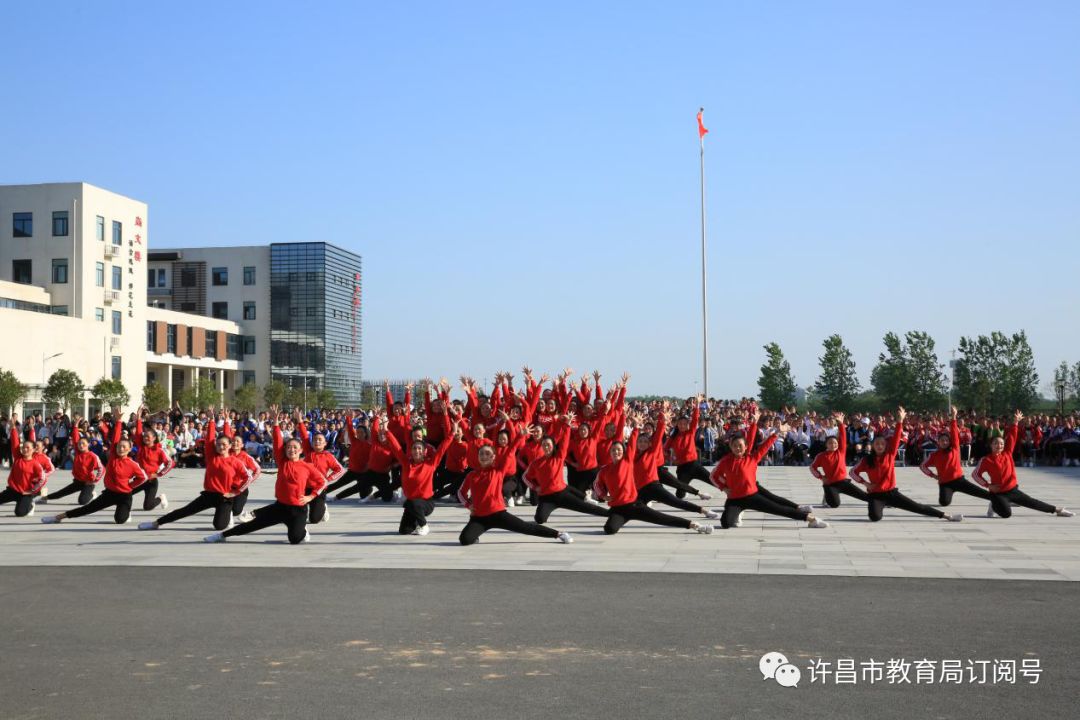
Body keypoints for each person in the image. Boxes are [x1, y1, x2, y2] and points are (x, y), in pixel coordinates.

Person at [204, 410, 327, 544]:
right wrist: (275, 424)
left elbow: (322, 482)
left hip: (298, 509)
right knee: (250, 526)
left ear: (301, 450)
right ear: (285, 451)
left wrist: (310, 496)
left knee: (295, 539)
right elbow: (277, 443)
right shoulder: (282, 461)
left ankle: (302, 530)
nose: (292, 450)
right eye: (289, 448)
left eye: (295, 447)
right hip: (280, 507)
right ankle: (221, 535)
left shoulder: (307, 466)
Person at [595, 412, 714, 535]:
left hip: (653, 487)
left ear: (649, 444)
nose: (642, 443)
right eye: (640, 441)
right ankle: (620, 516)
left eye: (645, 441)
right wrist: (603, 495)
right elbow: (598, 483)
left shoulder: (646, 454)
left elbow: (655, 438)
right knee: (609, 529)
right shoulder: (626, 460)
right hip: (639, 493)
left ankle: (699, 516)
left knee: (670, 507)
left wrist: (661, 422)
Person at [712, 409, 827, 529]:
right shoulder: (725, 461)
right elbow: (714, 476)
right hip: (734, 499)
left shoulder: (751, 458)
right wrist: (724, 488)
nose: (737, 448)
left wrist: (776, 432)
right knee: (725, 523)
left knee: (778, 509)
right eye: (734, 446)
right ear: (730, 447)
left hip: (752, 495)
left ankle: (811, 519)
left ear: (745, 447)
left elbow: (764, 445)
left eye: (740, 446)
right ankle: (739, 512)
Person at [850, 407, 962, 523]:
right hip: (875, 495)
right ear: (873, 446)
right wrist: (865, 483)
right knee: (875, 517)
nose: (879, 446)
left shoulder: (890, 455)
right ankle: (882, 505)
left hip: (891, 493)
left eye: (882, 444)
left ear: (885, 446)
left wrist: (900, 421)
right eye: (877, 444)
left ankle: (947, 516)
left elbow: (897, 437)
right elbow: (852, 472)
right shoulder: (867, 460)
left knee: (917, 507)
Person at [138, 413, 247, 531]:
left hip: (225, 498)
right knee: (185, 511)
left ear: (230, 446)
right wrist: (211, 421)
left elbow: (248, 477)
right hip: (209, 495)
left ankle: (227, 514)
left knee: (219, 526)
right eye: (218, 444)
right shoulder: (212, 456)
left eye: (224, 445)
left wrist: (235, 492)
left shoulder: (235, 462)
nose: (221, 447)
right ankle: (156, 523)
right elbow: (210, 439)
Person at [458, 437, 573, 545]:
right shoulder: (472, 475)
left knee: (526, 527)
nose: (484, 456)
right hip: (479, 517)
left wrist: (519, 436)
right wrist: (468, 505)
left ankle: (558, 534)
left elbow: (510, 450)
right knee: (464, 540)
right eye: (481, 454)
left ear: (493, 457)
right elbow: (461, 493)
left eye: (487, 453)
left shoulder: (498, 471)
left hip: (498, 514)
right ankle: (476, 535)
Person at [41, 414, 149, 525]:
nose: (120, 449)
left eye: (124, 447)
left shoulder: (132, 464)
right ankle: (58, 517)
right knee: (87, 508)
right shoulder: (113, 456)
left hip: (124, 496)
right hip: (109, 493)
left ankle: (125, 512)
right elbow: (115, 438)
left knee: (120, 520)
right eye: (119, 447)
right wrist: (118, 421)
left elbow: (143, 477)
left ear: (129, 449)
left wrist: (130, 486)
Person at [973, 410, 1073, 519]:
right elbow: (975, 475)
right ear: (991, 445)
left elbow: (1012, 436)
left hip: (1012, 489)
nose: (999, 446)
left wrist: (1015, 422)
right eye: (996, 443)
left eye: (1001, 443)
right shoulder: (986, 460)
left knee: (1031, 502)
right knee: (1006, 514)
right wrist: (988, 485)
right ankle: (994, 503)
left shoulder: (1007, 454)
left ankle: (1057, 510)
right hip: (997, 492)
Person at [633, 407, 720, 520]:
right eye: (646, 428)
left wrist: (663, 419)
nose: (648, 430)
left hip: (672, 468)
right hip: (663, 474)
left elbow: (660, 431)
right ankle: (647, 501)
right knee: (678, 494)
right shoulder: (637, 450)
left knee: (680, 487)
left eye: (650, 428)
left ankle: (702, 497)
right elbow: (665, 448)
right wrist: (670, 457)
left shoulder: (653, 444)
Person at [525, 412, 610, 524]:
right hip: (546, 498)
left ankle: (610, 513)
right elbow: (526, 477)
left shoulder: (558, 457)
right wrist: (535, 487)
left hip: (561, 494)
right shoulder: (536, 463)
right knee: (539, 519)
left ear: (553, 446)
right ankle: (583, 496)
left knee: (585, 507)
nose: (546, 447)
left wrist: (567, 425)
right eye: (544, 445)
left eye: (548, 445)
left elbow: (564, 442)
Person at [377, 412, 454, 535]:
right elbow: (396, 447)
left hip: (426, 502)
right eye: (414, 448)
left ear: (424, 452)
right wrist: (386, 430)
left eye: (419, 449)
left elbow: (442, 448)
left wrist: (452, 433)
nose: (416, 451)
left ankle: (424, 525)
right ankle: (417, 521)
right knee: (404, 531)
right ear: (411, 451)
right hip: (413, 503)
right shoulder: (406, 463)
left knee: (411, 502)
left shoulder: (430, 464)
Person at [920, 406, 993, 507]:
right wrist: (933, 475)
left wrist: (954, 417)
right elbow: (923, 466)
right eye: (942, 440)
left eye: (946, 440)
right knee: (944, 502)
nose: (944, 442)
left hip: (959, 480)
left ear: (950, 442)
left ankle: (998, 499)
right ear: (938, 442)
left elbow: (954, 433)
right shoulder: (934, 455)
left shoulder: (954, 448)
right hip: (945, 484)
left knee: (980, 493)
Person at [293, 409, 345, 523]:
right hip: (305, 487)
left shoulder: (328, 456)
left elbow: (340, 470)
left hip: (319, 489)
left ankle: (323, 507)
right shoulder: (308, 451)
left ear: (325, 443)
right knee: (295, 508)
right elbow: (304, 435)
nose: (317, 442)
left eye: (320, 440)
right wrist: (300, 420)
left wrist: (327, 479)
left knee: (314, 519)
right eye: (315, 440)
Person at [809, 412, 869, 508]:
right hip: (830, 484)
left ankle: (885, 502)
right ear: (826, 445)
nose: (833, 445)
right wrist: (821, 477)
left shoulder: (840, 451)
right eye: (830, 443)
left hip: (843, 482)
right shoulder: (821, 456)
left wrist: (841, 424)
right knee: (834, 504)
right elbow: (812, 467)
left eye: (835, 443)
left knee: (864, 496)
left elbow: (843, 437)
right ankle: (827, 493)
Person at [41, 419, 104, 506]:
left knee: (82, 501)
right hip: (78, 481)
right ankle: (46, 498)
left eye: (83, 444)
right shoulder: (78, 452)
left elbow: (102, 469)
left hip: (88, 482)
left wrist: (95, 480)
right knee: (62, 492)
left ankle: (92, 494)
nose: (81, 445)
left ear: (88, 444)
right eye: (80, 444)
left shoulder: (93, 456)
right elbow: (75, 438)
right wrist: (75, 426)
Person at [130, 411, 173, 511]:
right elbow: (139, 433)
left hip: (151, 481)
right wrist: (139, 418)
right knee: (125, 493)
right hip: (140, 479)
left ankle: (161, 498)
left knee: (148, 507)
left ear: (154, 438)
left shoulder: (159, 451)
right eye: (144, 436)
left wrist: (159, 474)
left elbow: (170, 463)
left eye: (148, 437)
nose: (145, 438)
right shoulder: (141, 446)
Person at [1, 424, 47, 516]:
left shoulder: (35, 464)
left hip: (25, 493)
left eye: (28, 448)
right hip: (13, 490)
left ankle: (30, 505)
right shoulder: (18, 457)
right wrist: (13, 428)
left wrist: (32, 491)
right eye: (23, 447)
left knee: (20, 513)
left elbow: (43, 479)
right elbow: (15, 443)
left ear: (34, 449)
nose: (25, 449)